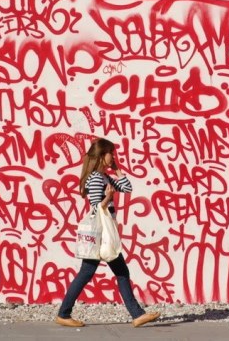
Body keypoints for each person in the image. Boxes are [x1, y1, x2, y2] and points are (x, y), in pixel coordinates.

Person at [55, 138, 160, 328]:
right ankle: (64, 313)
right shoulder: (96, 178)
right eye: (111, 153)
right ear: (102, 155)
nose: (114, 156)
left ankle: (137, 314)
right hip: (101, 232)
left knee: (102, 272)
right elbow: (97, 207)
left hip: (104, 230)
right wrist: (109, 197)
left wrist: (117, 170)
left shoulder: (104, 177)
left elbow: (127, 188)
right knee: (102, 272)